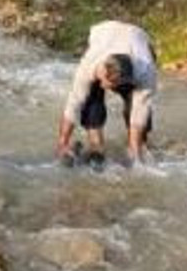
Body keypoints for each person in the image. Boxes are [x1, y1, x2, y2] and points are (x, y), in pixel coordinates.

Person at [57, 20, 158, 167]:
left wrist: (135, 153)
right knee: (91, 95)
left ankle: (140, 145)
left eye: (120, 85)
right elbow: (73, 105)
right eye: (113, 84)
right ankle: (96, 144)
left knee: (136, 105)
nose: (113, 89)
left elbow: (140, 109)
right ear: (103, 73)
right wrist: (63, 143)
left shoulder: (146, 71)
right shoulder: (89, 65)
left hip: (138, 37)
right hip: (106, 33)